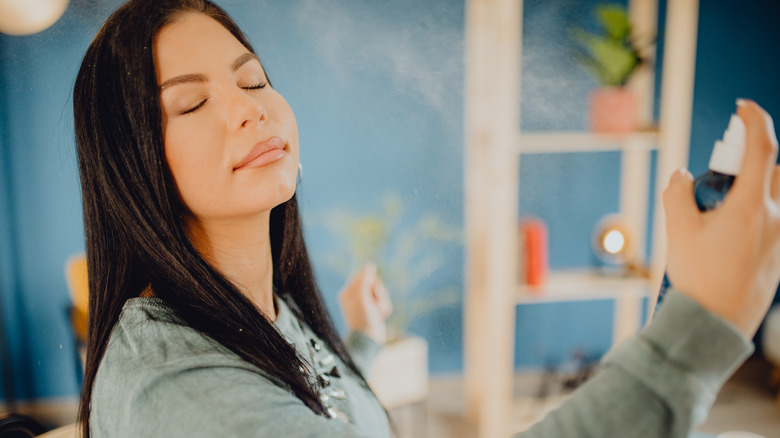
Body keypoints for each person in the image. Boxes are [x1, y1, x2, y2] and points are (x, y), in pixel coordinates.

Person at [72, 0, 780, 437]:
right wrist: (693, 334)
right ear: (130, 161)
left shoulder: (264, 312)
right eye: (191, 104)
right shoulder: (179, 398)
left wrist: (359, 351)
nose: (249, 107)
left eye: (254, 79)